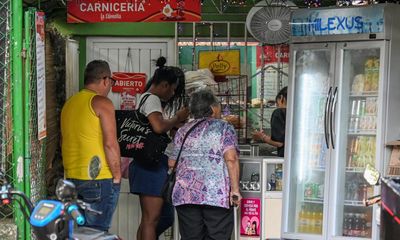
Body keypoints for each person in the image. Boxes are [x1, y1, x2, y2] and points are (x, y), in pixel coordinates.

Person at [129, 56, 189, 240]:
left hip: (148, 165)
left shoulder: (146, 99)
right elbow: (158, 126)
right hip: (150, 166)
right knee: (151, 219)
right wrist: (178, 118)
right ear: (163, 85)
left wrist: (172, 125)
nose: (172, 94)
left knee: (151, 219)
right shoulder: (152, 99)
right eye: (171, 89)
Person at [170, 88, 242, 240]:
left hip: (186, 195)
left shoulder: (183, 130)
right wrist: (235, 190)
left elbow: (171, 162)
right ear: (212, 108)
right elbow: (231, 158)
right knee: (217, 236)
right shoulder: (224, 128)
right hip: (215, 195)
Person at [60, 60, 121, 232]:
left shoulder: (69, 104)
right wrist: (116, 176)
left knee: (78, 233)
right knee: (96, 232)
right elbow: (110, 144)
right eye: (111, 82)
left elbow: (63, 141)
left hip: (71, 178)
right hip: (98, 179)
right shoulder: (102, 103)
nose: (110, 86)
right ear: (105, 79)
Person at [253, 86, 287, 157]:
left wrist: (262, 136)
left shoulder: (279, 113)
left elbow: (279, 143)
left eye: (277, 104)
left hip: (286, 158)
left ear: (281, 98)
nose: (278, 106)